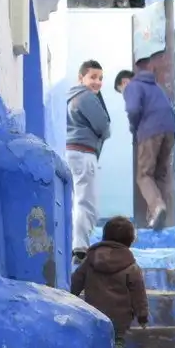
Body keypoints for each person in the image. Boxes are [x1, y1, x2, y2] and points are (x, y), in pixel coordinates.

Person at [70, 216, 149, 348]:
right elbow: (138, 293)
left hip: (93, 312)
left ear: (104, 235)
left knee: (95, 339)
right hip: (119, 317)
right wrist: (142, 316)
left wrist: (69, 297)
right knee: (117, 342)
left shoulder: (90, 260)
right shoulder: (131, 267)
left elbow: (77, 279)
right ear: (130, 241)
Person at [115, 66, 175, 230]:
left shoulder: (132, 86)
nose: (123, 94)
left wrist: (133, 127)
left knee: (143, 175)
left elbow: (133, 109)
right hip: (170, 130)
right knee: (159, 175)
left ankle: (157, 208)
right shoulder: (155, 86)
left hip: (150, 131)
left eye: (121, 91)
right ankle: (158, 219)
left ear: (124, 82)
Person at [67, 60, 113, 263]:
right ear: (81, 78)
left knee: (76, 200)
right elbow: (104, 127)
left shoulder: (70, 97)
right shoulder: (85, 97)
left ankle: (73, 244)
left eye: (101, 78)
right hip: (84, 153)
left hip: (71, 151)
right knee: (86, 201)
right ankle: (80, 248)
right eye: (93, 77)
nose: (97, 82)